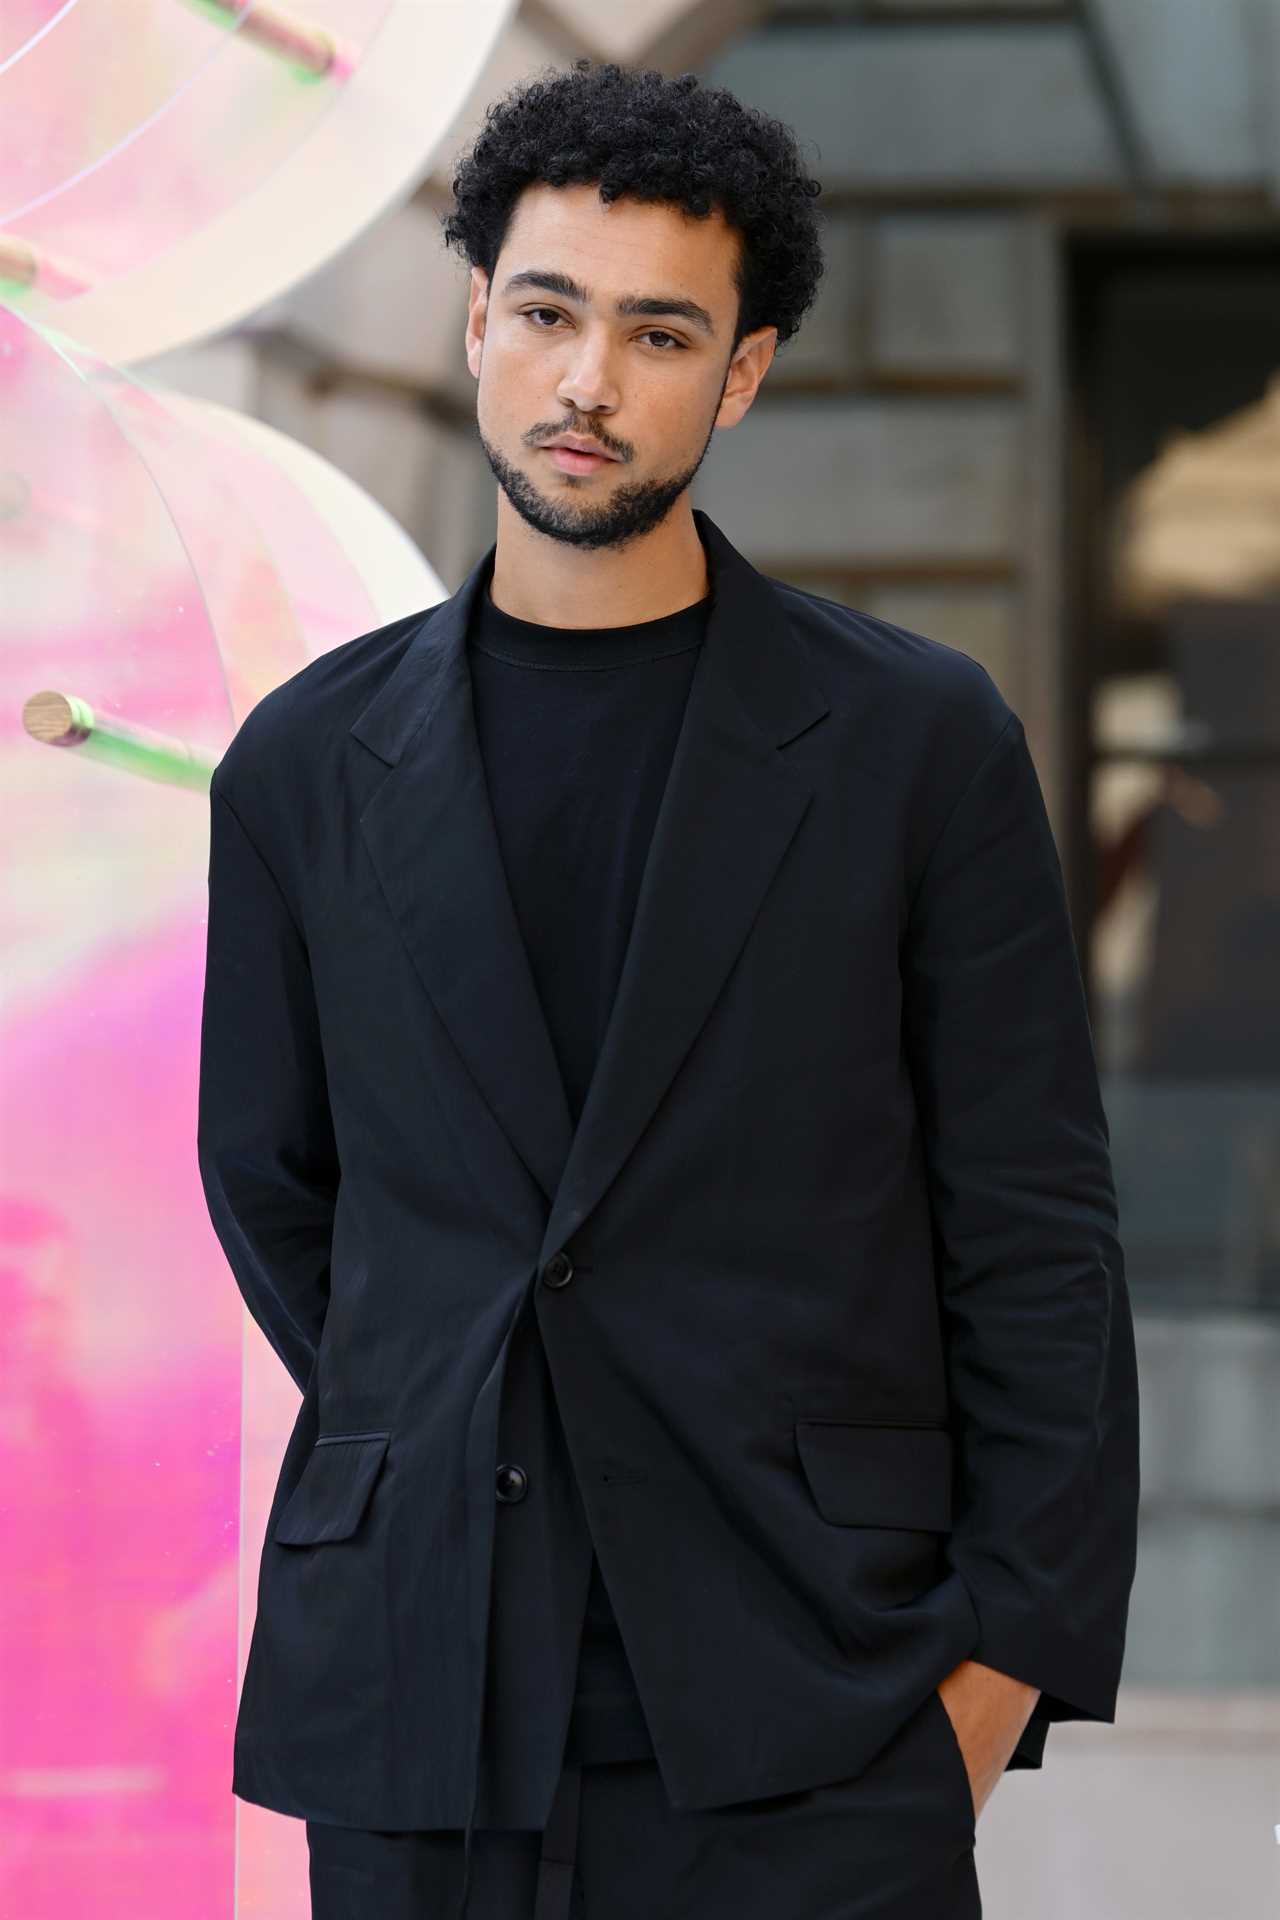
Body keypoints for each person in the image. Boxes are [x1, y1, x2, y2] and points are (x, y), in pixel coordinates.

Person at [197, 57, 1140, 1920]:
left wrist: (991, 1670)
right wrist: (482, 1419)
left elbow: (1033, 1227)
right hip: (419, 1702)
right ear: (476, 320)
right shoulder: (302, 764)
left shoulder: (914, 744)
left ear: (743, 370)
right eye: (546, 312)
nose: (585, 381)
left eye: (657, 332)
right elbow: (280, 1191)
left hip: (814, 1708)